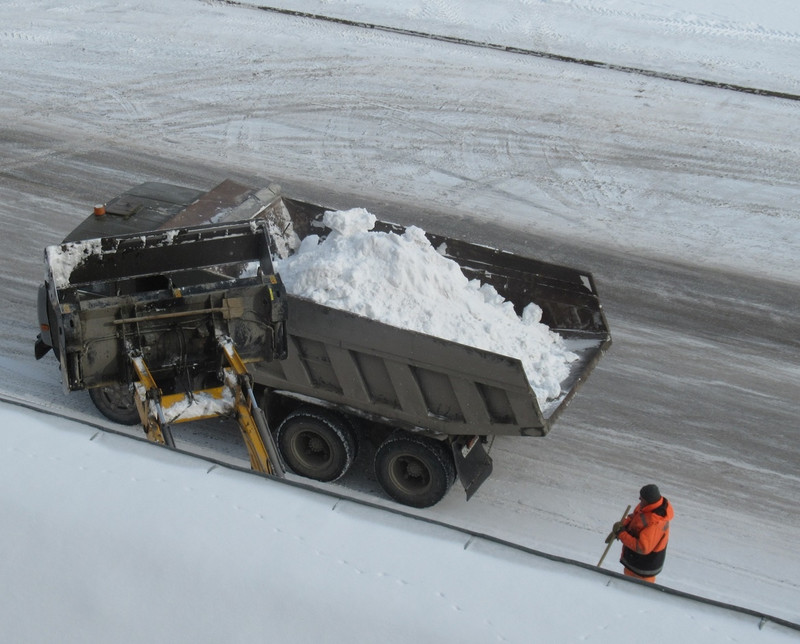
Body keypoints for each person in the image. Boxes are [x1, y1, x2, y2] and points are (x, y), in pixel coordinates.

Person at [611, 484, 674, 583]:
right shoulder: (645, 507)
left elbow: (642, 547)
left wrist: (621, 534)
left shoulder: (655, 522)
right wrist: (623, 525)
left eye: (642, 498)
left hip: (643, 570)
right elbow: (634, 518)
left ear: (649, 500)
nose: (639, 498)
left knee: (636, 592)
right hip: (634, 562)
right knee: (626, 586)